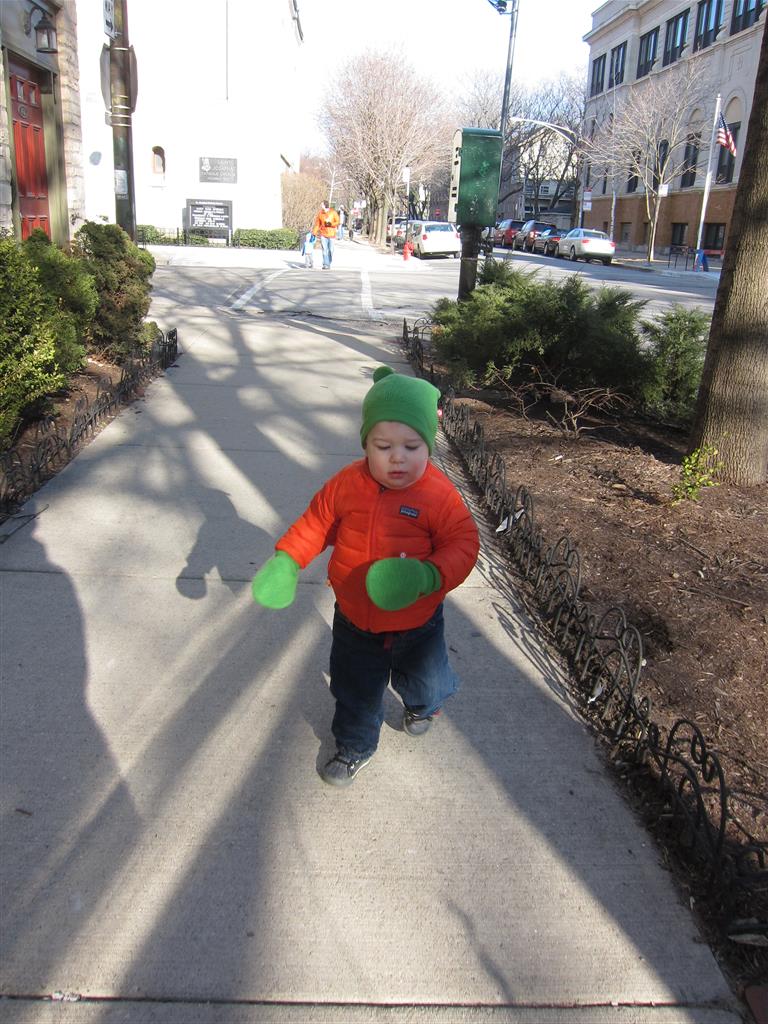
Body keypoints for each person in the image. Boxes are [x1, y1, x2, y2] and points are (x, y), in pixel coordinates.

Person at [251, 366, 480, 788]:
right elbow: (315, 524)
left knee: (425, 681)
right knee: (354, 689)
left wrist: (428, 576)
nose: (397, 457)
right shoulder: (347, 484)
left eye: (412, 446)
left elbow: (464, 545)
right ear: (365, 443)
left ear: (429, 444)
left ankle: (424, 705)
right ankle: (354, 746)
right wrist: (288, 560)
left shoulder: (438, 495)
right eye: (383, 445)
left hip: (416, 621)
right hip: (355, 617)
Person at [312, 200, 340, 270]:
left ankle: (328, 262)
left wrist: (331, 224)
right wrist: (314, 232)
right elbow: (317, 224)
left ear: (325, 205)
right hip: (323, 234)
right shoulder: (320, 214)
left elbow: (338, 221)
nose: (321, 206)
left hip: (331, 234)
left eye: (322, 204)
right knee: (324, 249)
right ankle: (325, 264)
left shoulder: (333, 212)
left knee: (331, 250)